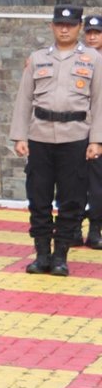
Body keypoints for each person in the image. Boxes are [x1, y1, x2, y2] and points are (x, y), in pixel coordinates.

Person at [11, 4, 102, 275]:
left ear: (79, 28)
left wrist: (96, 140)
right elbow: (24, 99)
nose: (64, 29)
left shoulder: (93, 59)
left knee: (72, 198)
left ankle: (61, 254)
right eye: (60, 25)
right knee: (38, 197)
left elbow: (99, 101)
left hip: (75, 136)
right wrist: (19, 136)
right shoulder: (38, 58)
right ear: (52, 26)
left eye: (71, 25)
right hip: (40, 135)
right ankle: (42, 255)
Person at [85, 15, 102, 249]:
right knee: (74, 183)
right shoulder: (78, 59)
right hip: (78, 129)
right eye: (89, 32)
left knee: (97, 183)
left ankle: (95, 229)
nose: (92, 36)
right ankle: (73, 228)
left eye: (97, 33)